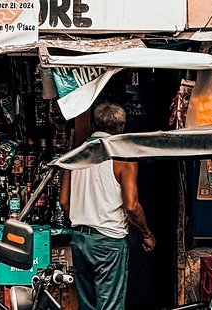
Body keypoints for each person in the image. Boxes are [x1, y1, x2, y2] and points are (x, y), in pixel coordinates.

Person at [59, 102, 155, 310]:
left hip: (80, 239)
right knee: (109, 306)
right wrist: (146, 233)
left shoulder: (76, 152)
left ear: (95, 124)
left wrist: (85, 215)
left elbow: (64, 201)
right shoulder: (123, 156)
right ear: (121, 127)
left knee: (87, 304)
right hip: (109, 241)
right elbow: (131, 206)